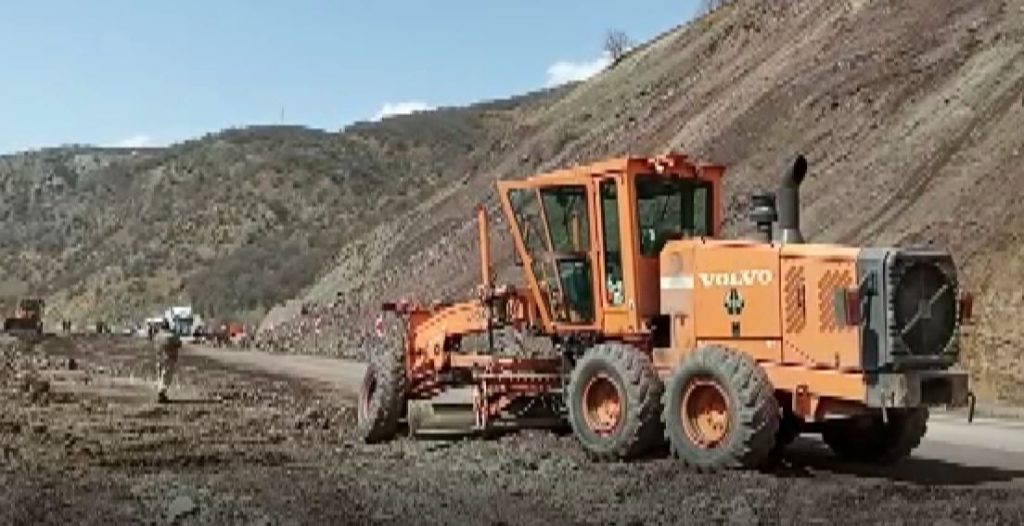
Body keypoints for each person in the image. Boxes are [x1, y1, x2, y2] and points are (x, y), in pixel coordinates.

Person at [153, 319, 183, 404]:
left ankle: (161, 393)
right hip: (168, 358)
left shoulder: (157, 336)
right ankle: (161, 393)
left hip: (159, 358)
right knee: (166, 377)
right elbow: (179, 343)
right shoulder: (170, 336)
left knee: (160, 376)